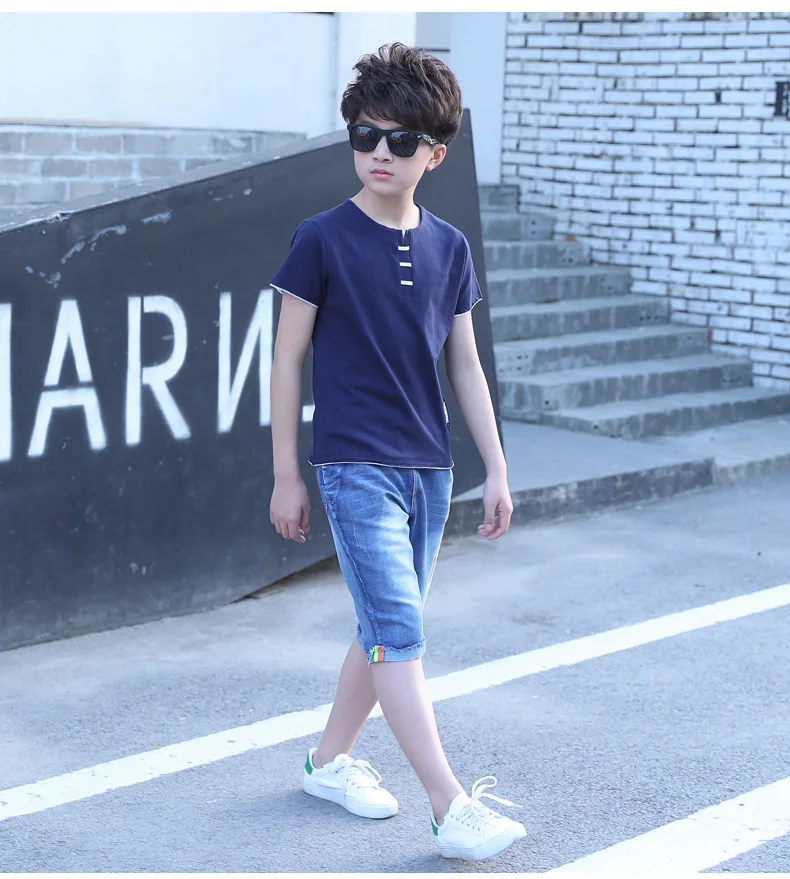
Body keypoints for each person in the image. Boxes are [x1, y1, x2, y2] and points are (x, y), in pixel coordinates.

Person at [268, 43, 525, 862]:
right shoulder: (321, 238)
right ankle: (451, 806)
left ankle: (328, 761)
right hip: (354, 466)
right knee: (399, 630)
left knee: (383, 626)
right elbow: (286, 359)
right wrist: (286, 473)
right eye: (366, 134)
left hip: (431, 469)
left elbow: (466, 365)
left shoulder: (450, 247)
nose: (381, 151)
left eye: (402, 140)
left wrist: (496, 467)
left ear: (434, 154)